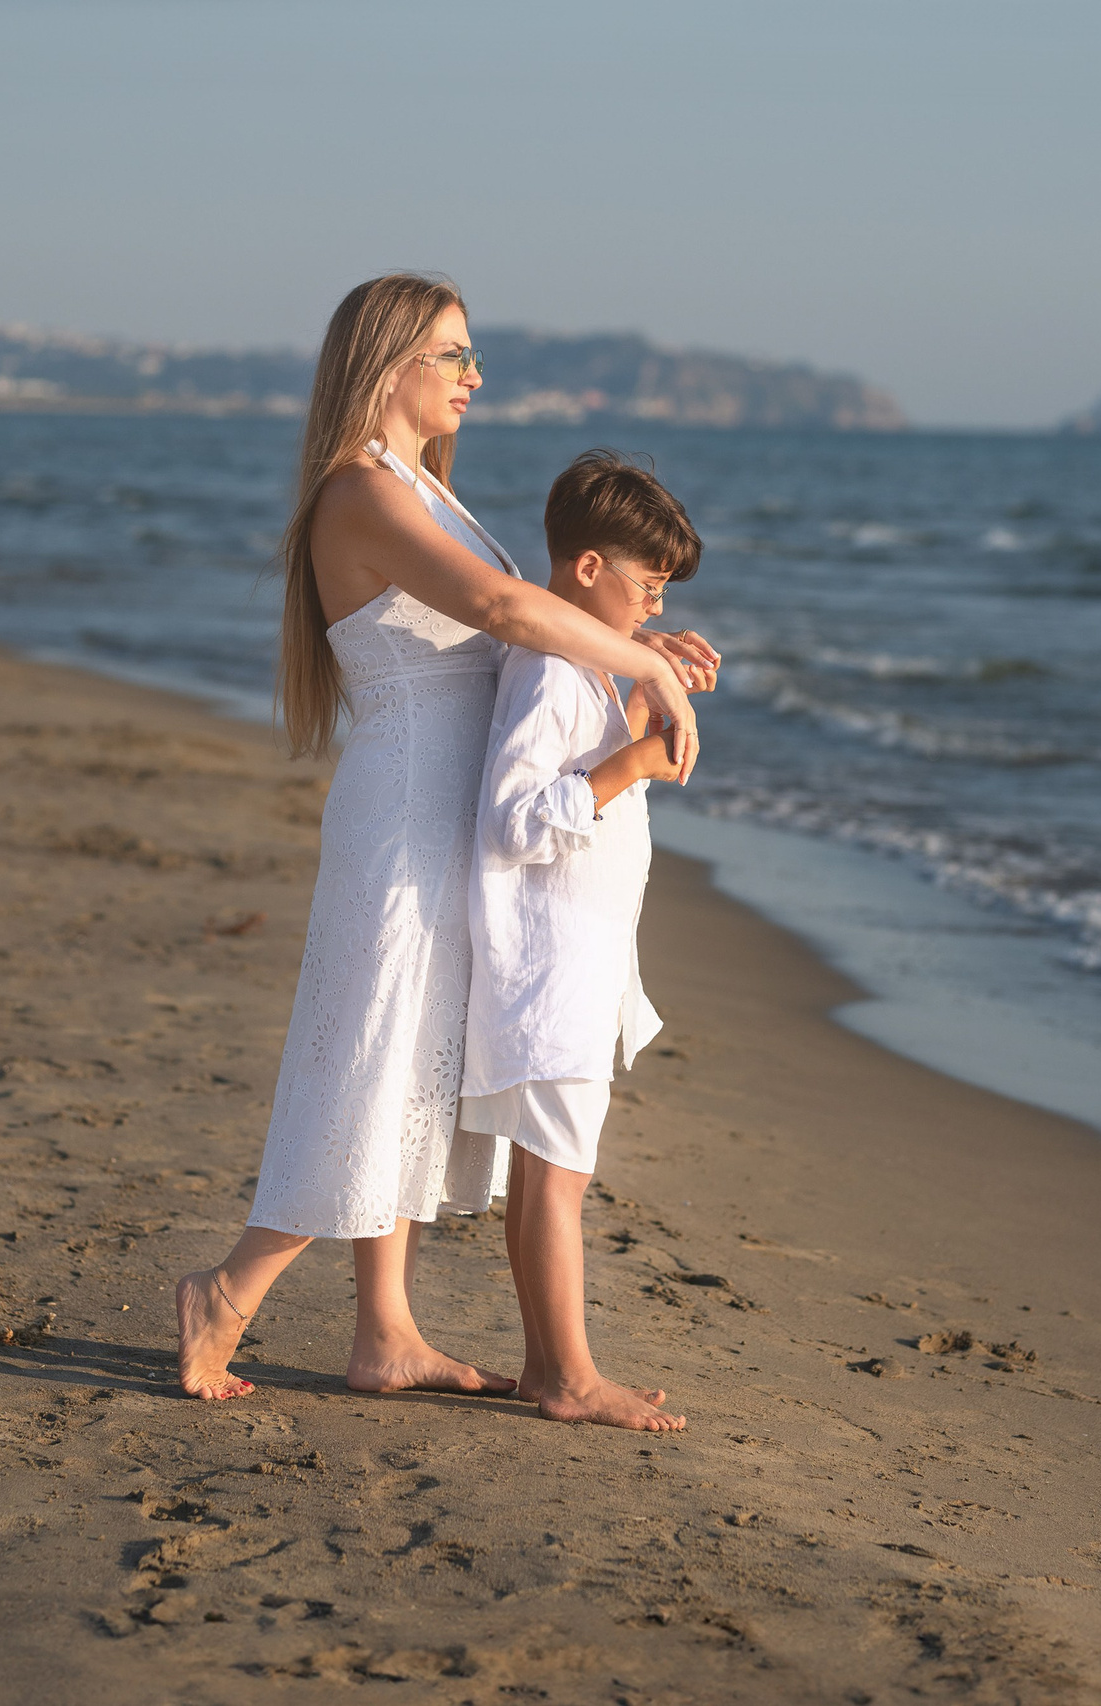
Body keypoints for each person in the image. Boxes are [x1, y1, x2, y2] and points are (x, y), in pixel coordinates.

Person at [173, 275, 717, 1402]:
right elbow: (514, 612)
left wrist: (646, 639)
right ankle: (225, 1291)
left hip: (447, 819)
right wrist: (648, 667)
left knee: (416, 1073)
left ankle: (386, 1331)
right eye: (453, 353)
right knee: (370, 1063)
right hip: (405, 821)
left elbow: (542, 634)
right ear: (388, 367)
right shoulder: (360, 496)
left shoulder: (420, 490)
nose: (476, 375)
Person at [461, 451, 703, 1432]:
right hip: (550, 960)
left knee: (542, 1171)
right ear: (589, 568)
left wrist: (639, 690)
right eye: (646, 590)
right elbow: (513, 821)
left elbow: (587, 762)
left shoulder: (579, 662)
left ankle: (542, 1363)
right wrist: (635, 760)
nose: (650, 614)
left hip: (571, 955)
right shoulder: (552, 672)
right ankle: (568, 1374)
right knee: (557, 1177)